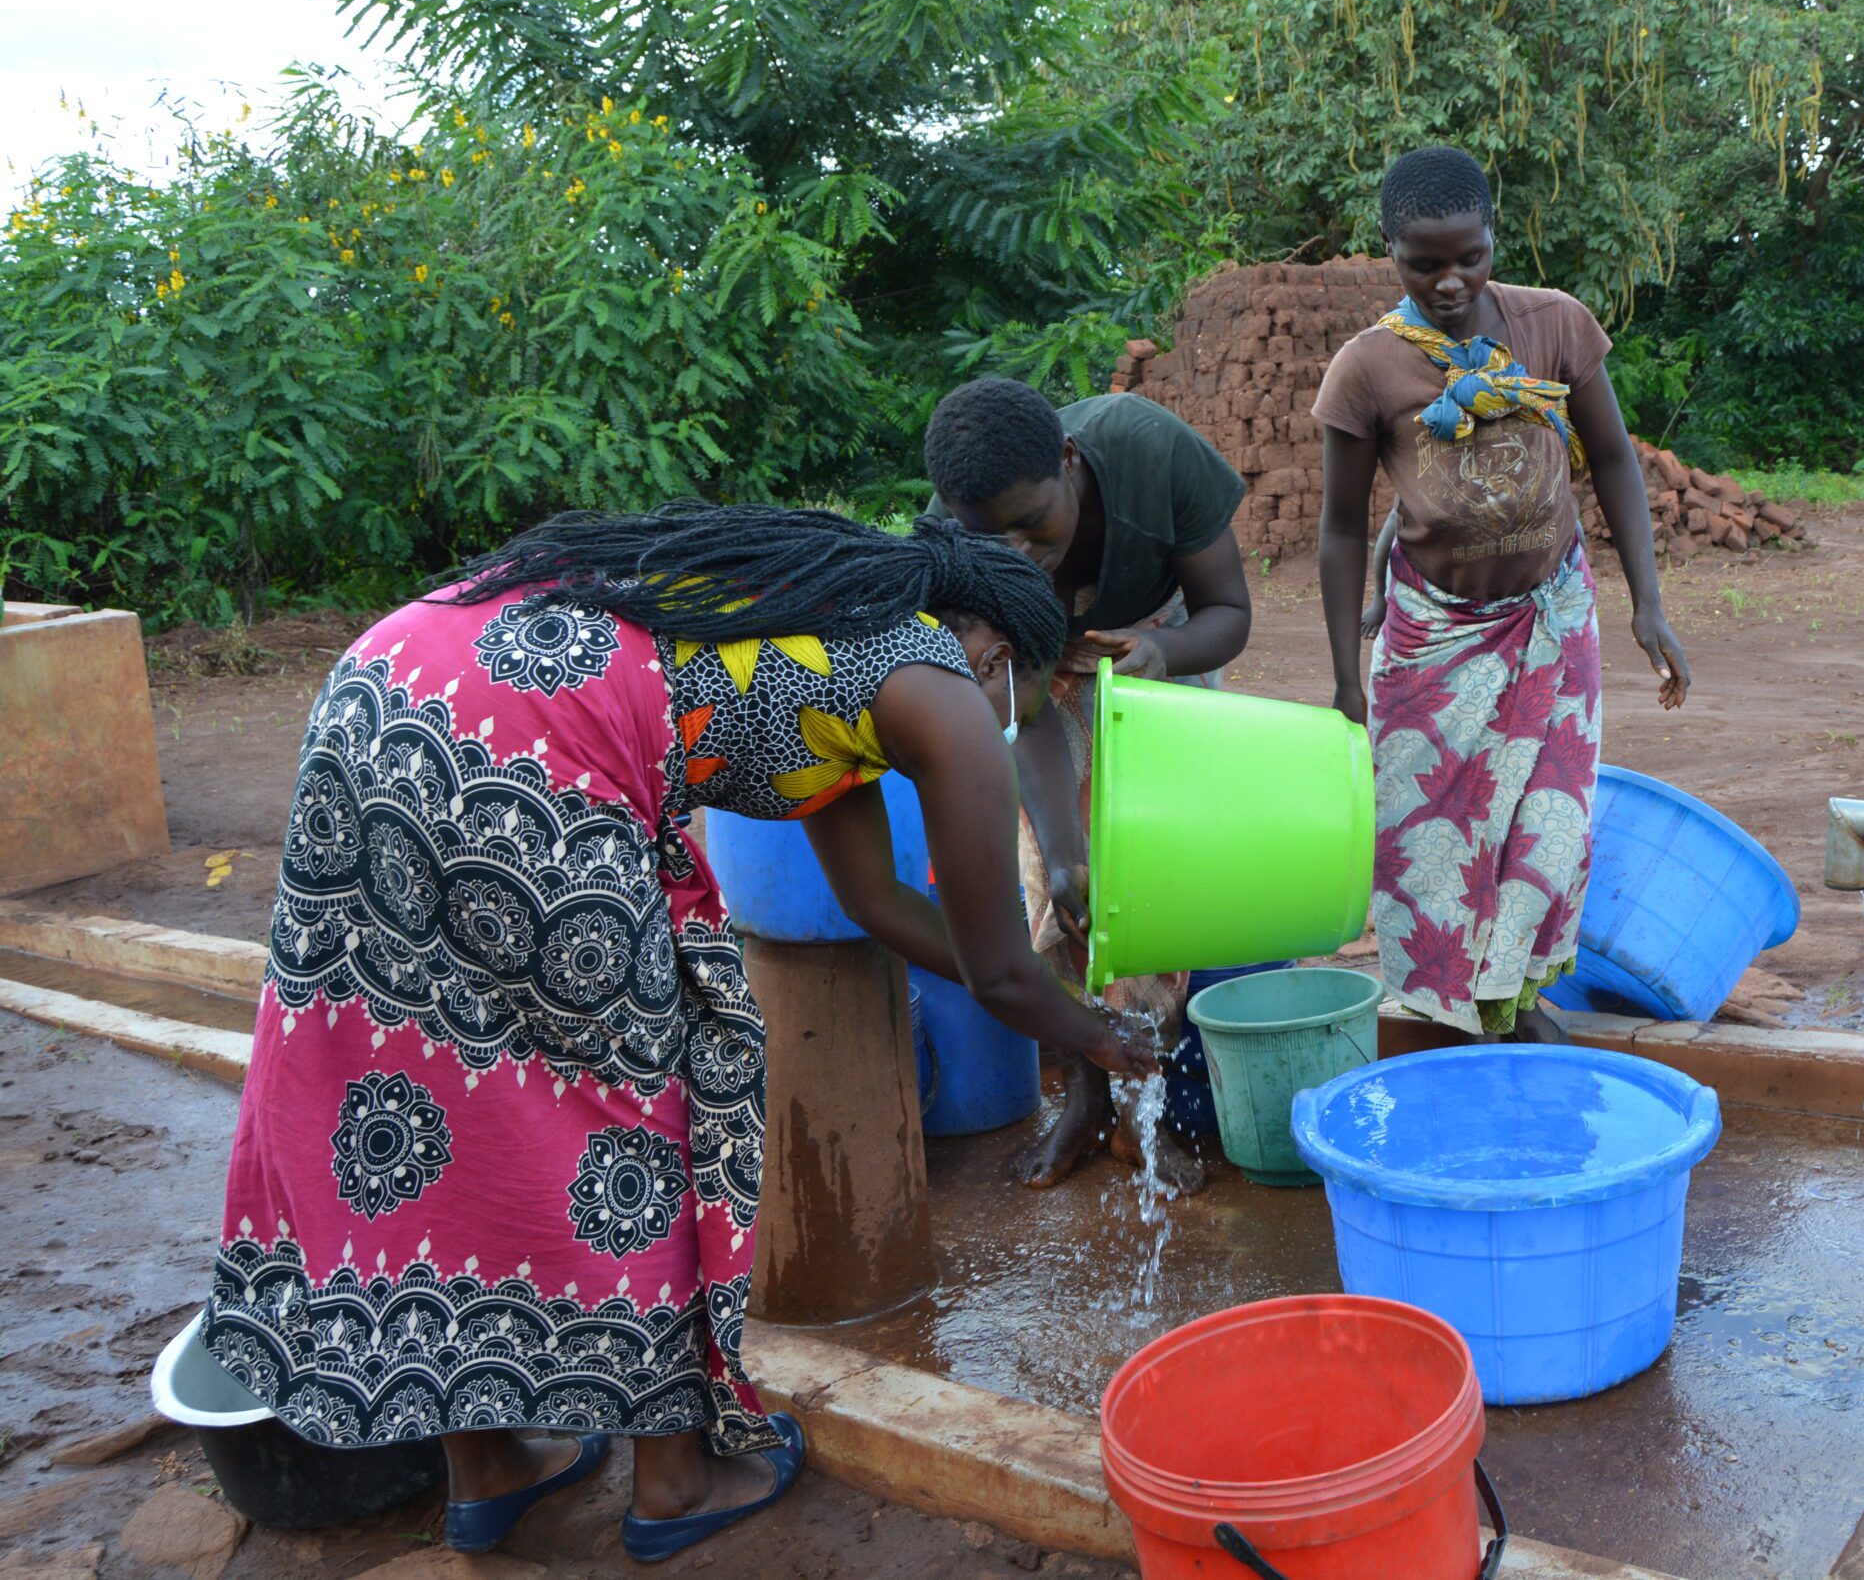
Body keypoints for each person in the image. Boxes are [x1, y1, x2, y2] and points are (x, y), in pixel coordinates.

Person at [202, 506, 1148, 1563]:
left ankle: (491, 1467)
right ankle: (676, 1475)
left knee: (438, 1095)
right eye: (1027, 699)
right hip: (527, 752)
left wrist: (1040, 1000)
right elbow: (1004, 970)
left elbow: (881, 901)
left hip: (381, 696)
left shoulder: (826, 634)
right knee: (652, 1112)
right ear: (995, 652)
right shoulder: (940, 684)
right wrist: (1105, 1034)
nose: (1015, 725)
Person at [1314, 145, 1691, 1039]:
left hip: (1553, 620)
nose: (1450, 281)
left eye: (1468, 257)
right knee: (1425, 832)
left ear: (1494, 237)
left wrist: (1648, 603)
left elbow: (1610, 460)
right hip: (1432, 637)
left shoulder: (1553, 326)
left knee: (1546, 826)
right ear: (1389, 251)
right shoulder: (1368, 368)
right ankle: (1456, 1009)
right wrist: (1340, 675)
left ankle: (1516, 1004)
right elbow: (1337, 527)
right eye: (1424, 262)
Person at [922, 378, 1250, 1188]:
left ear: (1069, 461)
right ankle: (1089, 1096)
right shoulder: (950, 536)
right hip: (1035, 683)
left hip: (1157, 652)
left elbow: (1229, 610)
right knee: (1059, 885)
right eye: (995, 540)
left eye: (1035, 524)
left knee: (1157, 881)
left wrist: (1163, 651)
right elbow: (1019, 697)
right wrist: (1064, 846)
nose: (1023, 553)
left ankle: (1152, 1112)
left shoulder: (1151, 452)